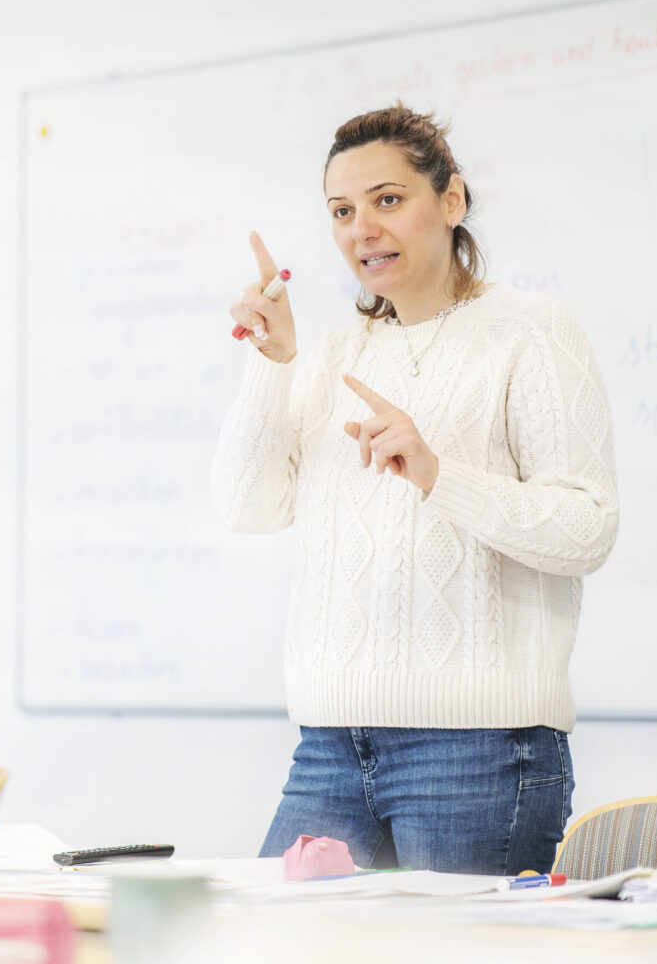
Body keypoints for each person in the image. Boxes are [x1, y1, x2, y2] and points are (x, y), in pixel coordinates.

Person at [211, 104, 618, 875]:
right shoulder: (333, 356)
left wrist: (438, 475)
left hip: (478, 754)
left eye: (388, 200)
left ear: (452, 202)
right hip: (329, 748)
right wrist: (272, 363)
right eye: (342, 211)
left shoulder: (530, 330)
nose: (361, 228)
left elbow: (587, 528)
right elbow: (248, 507)